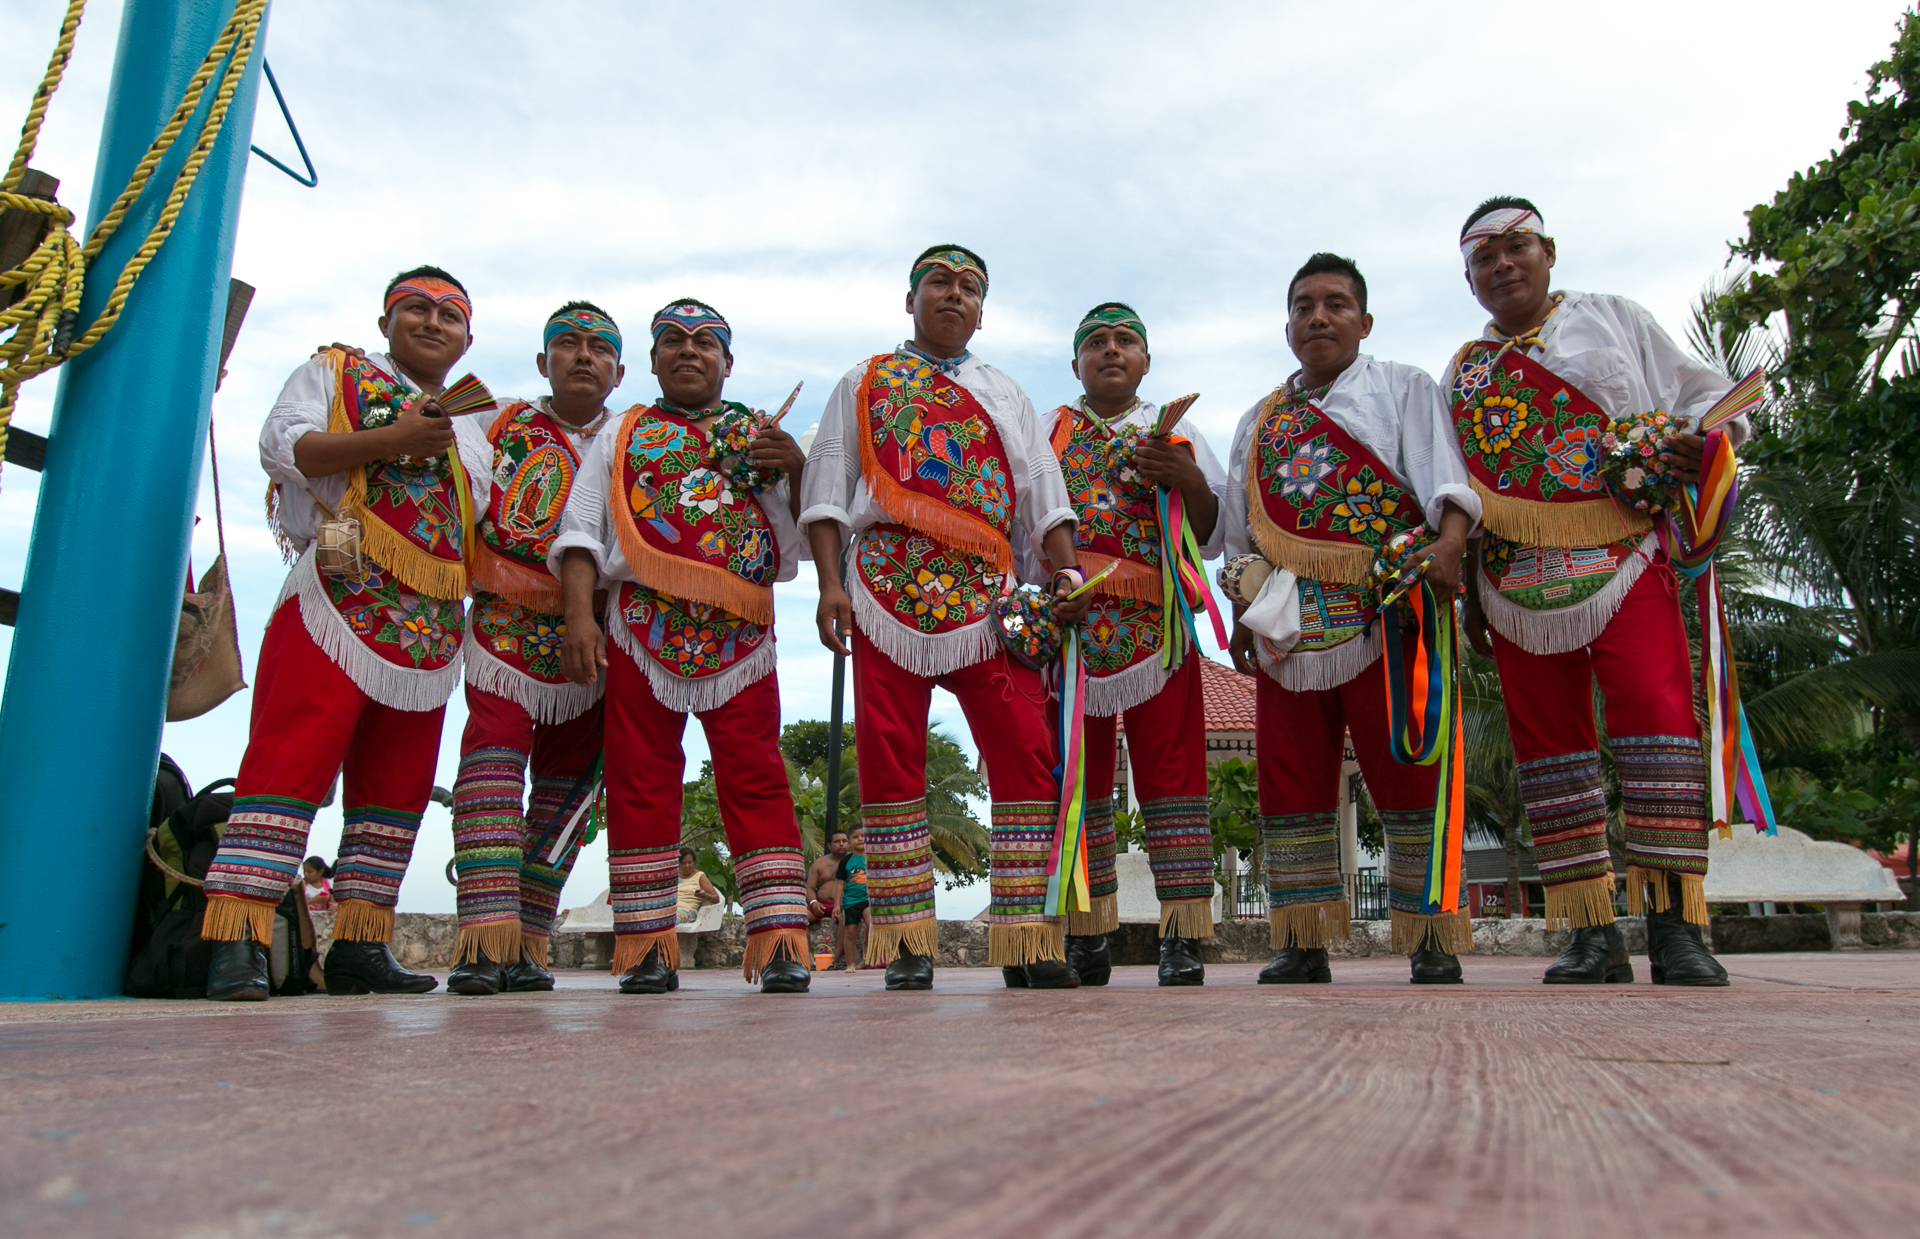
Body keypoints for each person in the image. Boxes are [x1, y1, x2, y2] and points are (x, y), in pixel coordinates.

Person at [1446, 198, 1738, 986]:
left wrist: (1699, 445)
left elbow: (1708, 398)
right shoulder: (1464, 372)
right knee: (1550, 747)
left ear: (1548, 252)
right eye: (1483, 258)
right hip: (1514, 579)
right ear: (1469, 281)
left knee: (1657, 718)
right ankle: (1589, 930)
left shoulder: (1614, 317)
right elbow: (1462, 489)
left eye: (1517, 247)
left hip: (1623, 553)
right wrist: (1471, 594)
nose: (1502, 264)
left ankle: (1677, 927)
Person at [801, 244, 1090, 991]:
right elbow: (827, 490)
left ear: (982, 311)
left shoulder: (1005, 392)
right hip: (886, 588)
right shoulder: (865, 381)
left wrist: (1066, 573)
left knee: (1025, 750)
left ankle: (1028, 937)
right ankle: (906, 942)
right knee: (889, 759)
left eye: (969, 287)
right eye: (939, 282)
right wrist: (830, 587)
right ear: (911, 300)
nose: (954, 295)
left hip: (989, 598)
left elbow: (1044, 494)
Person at [202, 267, 492, 1001]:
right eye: (416, 308)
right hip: (340, 587)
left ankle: (362, 945)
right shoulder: (335, 372)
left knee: (396, 784)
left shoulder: (474, 423)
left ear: (467, 337)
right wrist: (394, 437)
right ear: (386, 320)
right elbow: (286, 449)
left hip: (430, 622)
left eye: (450, 315)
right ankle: (237, 938)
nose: (433, 322)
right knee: (290, 758)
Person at [1224, 253, 1480, 985]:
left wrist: (1451, 551)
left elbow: (1447, 484)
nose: (1318, 317)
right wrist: (1243, 614)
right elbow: (1242, 531)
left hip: (1389, 612)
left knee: (1408, 768)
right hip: (1289, 623)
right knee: (1290, 777)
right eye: (1303, 305)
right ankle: (1303, 936)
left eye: (1335, 303)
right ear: (1287, 326)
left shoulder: (1404, 386)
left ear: (1364, 321)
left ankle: (1431, 933)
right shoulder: (1260, 420)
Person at [554, 298, 813, 995]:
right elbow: (581, 528)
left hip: (740, 634)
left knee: (756, 774)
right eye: (673, 340)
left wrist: (795, 467)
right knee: (638, 776)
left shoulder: (759, 432)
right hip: (642, 625)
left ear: (728, 362)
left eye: (705, 342)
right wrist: (580, 619)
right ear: (652, 360)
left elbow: (802, 535)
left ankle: (781, 940)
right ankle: (645, 946)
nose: (689, 351)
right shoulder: (624, 430)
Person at [1042, 303, 1228, 987]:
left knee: (1174, 776)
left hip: (1159, 625)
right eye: (1096, 342)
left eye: (1126, 340)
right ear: (1076, 364)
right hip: (1073, 629)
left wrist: (1187, 478)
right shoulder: (1047, 431)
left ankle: (1183, 934)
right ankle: (1086, 933)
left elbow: (1210, 532)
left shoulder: (1175, 430)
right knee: (1077, 780)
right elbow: (1028, 520)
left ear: (1146, 361)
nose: (1111, 350)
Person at [445, 303, 624, 997]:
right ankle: (482, 941)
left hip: (599, 636)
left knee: (568, 790)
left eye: (599, 348)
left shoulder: (634, 436)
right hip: (507, 623)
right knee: (490, 768)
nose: (583, 357)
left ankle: (526, 940)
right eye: (568, 344)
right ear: (543, 360)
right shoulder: (496, 420)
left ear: (618, 371)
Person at [807, 829, 850, 962]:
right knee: (799, 917)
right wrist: (814, 902)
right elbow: (809, 887)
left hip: (844, 905)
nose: (841, 844)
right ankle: (807, 956)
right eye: (837, 842)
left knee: (845, 918)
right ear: (829, 846)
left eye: (844, 841)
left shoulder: (855, 861)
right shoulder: (820, 863)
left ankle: (835, 958)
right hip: (821, 905)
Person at [836, 825, 869, 968]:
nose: (860, 839)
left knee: (871, 923)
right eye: (855, 837)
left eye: (863, 836)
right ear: (849, 842)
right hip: (850, 901)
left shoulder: (872, 858)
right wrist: (837, 905)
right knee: (850, 932)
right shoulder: (846, 861)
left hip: (868, 900)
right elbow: (839, 884)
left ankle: (866, 956)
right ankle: (850, 964)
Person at [676, 847, 722, 923]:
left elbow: (716, 899)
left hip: (687, 912)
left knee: (668, 922)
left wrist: (705, 895)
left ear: (694, 862)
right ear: (679, 864)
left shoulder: (700, 876)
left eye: (689, 863)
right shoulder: (675, 876)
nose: (687, 866)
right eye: (683, 863)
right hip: (671, 910)